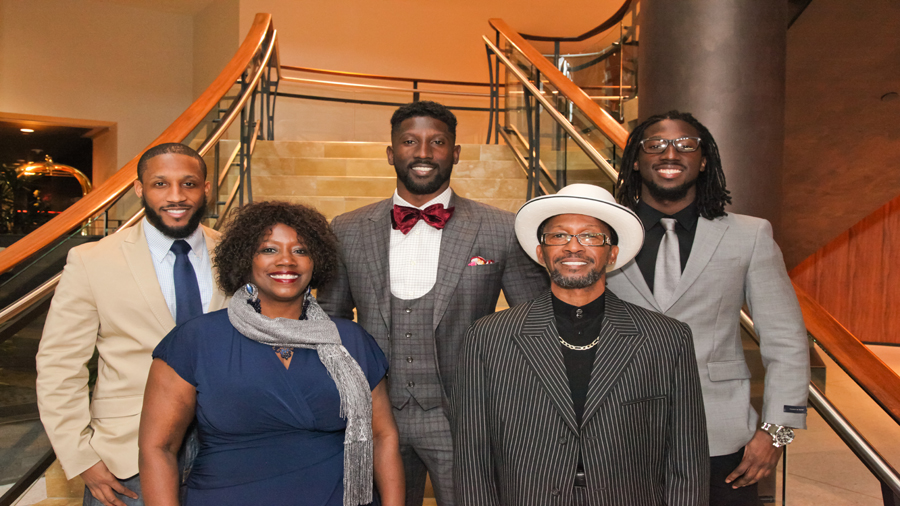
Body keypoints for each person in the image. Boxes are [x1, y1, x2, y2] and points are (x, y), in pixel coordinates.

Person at [316, 100, 548, 506]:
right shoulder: (347, 229)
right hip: (376, 415)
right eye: (410, 141)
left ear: (454, 153)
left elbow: (533, 322)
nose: (423, 152)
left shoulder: (500, 227)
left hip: (462, 416)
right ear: (391, 153)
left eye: (437, 142)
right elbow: (331, 321)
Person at [453, 184, 709, 506]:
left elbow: (687, 461)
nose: (573, 246)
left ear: (612, 254)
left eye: (590, 236)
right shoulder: (488, 338)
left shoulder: (666, 339)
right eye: (559, 235)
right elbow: (473, 461)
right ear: (540, 253)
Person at [139, 201, 404, 506]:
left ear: (316, 261)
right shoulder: (196, 340)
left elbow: (383, 436)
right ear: (245, 258)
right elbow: (158, 447)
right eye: (269, 249)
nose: (286, 260)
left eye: (300, 250)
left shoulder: (351, 341)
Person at [607, 110, 810, 506]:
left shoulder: (750, 235)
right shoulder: (604, 235)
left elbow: (786, 341)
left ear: (703, 161)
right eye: (655, 145)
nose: (670, 154)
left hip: (722, 438)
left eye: (685, 145)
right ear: (635, 160)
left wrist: (776, 433)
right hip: (617, 436)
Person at [36, 143, 227, 506]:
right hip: (127, 456)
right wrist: (81, 457)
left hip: (225, 450)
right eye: (160, 184)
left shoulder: (235, 254)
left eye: (188, 184)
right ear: (139, 189)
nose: (176, 196)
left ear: (205, 188)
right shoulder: (92, 260)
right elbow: (59, 365)